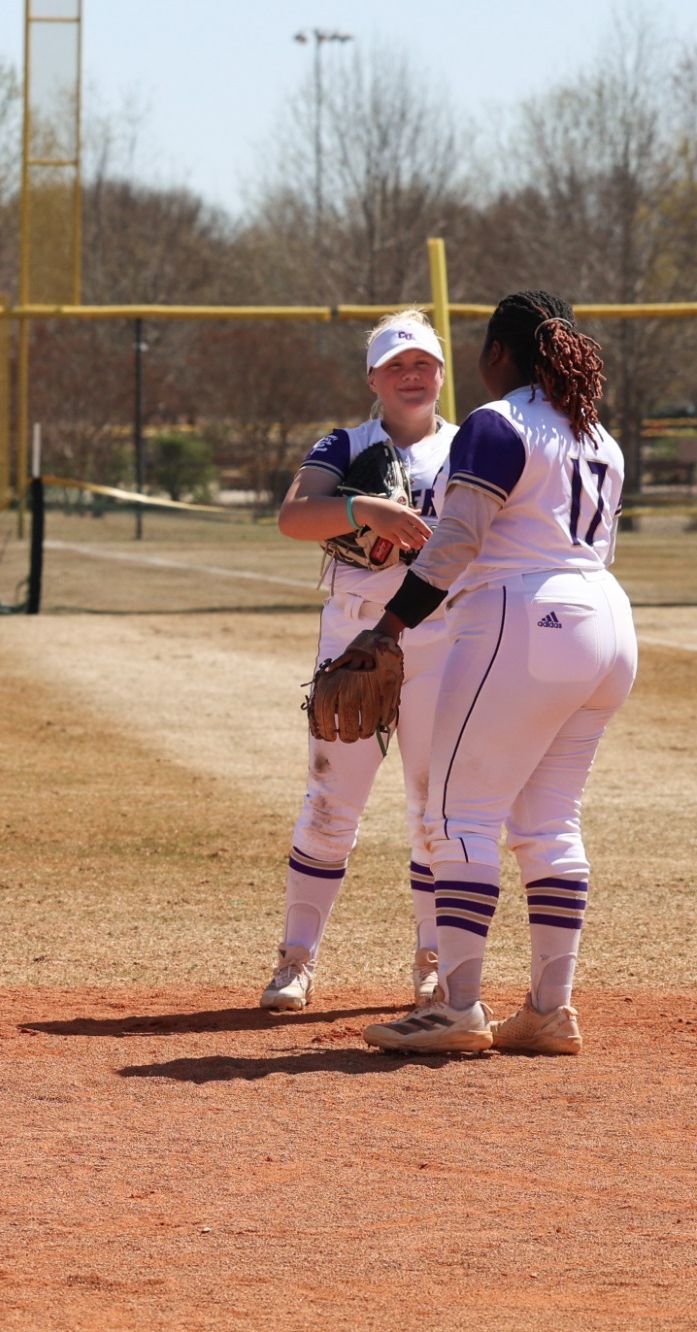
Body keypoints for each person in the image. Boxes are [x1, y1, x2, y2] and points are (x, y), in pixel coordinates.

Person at [335, 292, 637, 1056]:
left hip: (523, 617)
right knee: (549, 823)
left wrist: (388, 623)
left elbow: (459, 541)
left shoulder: (496, 422)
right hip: (607, 621)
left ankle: (457, 1006)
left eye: (482, 349)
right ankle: (547, 1009)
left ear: (501, 352)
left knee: (461, 816)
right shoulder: (598, 434)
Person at [258, 312, 455, 1012]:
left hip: (443, 644)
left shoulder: (467, 449)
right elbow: (293, 516)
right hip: (355, 639)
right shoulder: (346, 444)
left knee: (437, 813)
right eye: (396, 364)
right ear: (373, 378)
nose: (412, 374)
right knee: (329, 805)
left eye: (424, 363)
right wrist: (363, 508)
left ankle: (434, 963)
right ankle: (295, 960)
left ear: (441, 372)